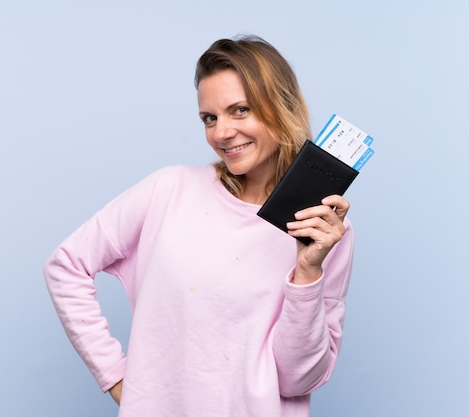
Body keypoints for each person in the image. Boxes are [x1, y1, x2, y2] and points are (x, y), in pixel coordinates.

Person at [44, 35, 354, 417]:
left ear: (281, 106)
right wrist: (116, 376)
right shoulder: (169, 190)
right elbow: (66, 265)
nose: (221, 133)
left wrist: (308, 271)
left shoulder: (326, 231)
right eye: (210, 118)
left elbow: (296, 380)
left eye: (240, 110)